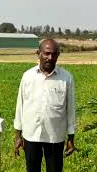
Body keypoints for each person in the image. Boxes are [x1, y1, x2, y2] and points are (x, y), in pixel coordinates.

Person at [14, 39, 76, 172]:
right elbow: (20, 106)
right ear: (38, 53)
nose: (50, 58)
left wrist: (71, 137)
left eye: (54, 54)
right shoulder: (28, 76)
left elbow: (71, 110)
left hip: (55, 136)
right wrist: (18, 136)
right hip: (31, 134)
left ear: (58, 55)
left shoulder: (66, 78)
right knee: (32, 169)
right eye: (46, 53)